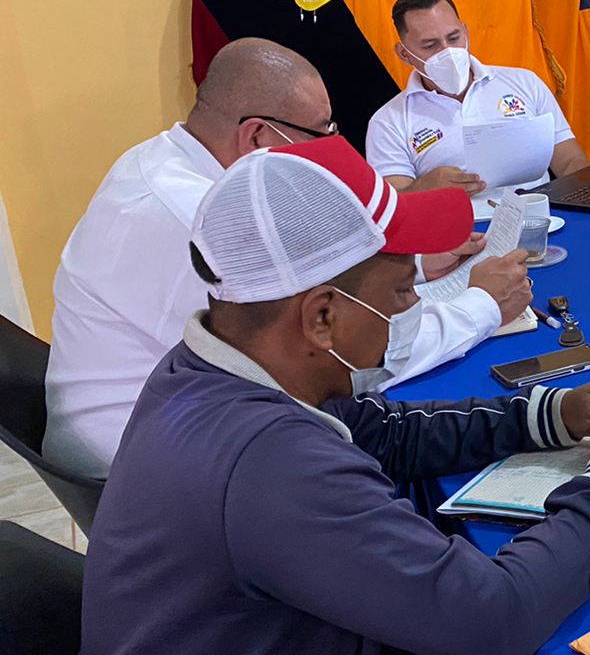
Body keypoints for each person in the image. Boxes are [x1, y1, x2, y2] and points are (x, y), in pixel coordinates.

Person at [62, 136, 590, 655]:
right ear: (321, 316)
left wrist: (547, 415)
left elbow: (383, 432)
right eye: (400, 291)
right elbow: (498, 619)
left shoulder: (215, 365)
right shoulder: (271, 463)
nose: (415, 302)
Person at [43, 39, 530, 479]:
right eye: (320, 131)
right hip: (150, 470)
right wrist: (481, 307)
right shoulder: (199, 219)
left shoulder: (163, 159)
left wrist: (414, 269)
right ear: (257, 136)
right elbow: (336, 356)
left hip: (158, 429)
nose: (330, 146)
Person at [365, 0, 589, 194]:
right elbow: (393, 206)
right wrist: (426, 188)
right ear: (404, 54)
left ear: (466, 32)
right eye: (430, 45)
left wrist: (588, 195)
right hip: (458, 224)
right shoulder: (389, 120)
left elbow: (570, 162)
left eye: (454, 38)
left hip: (539, 216)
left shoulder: (524, 82)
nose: (448, 51)